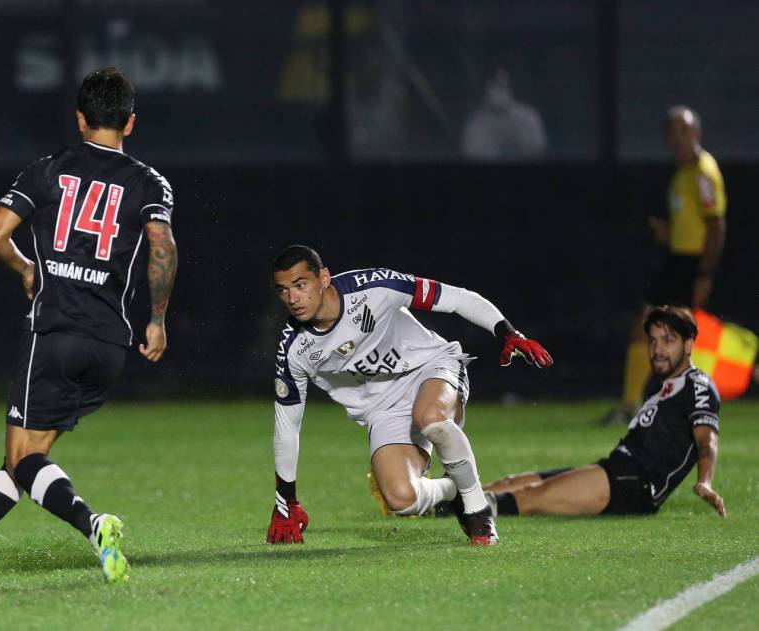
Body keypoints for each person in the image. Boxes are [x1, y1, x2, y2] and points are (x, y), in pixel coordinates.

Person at [0, 67, 177, 583]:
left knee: (22, 457)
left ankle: (93, 524)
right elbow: (162, 246)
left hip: (55, 334)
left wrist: (27, 268)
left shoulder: (48, 170)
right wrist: (158, 320)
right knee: (29, 457)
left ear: (80, 119)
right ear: (130, 123)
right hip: (109, 346)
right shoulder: (150, 182)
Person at [266, 245, 552, 546]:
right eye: (283, 290)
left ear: (324, 278)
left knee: (431, 418)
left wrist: (508, 333)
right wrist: (286, 500)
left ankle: (477, 511)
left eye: (300, 285)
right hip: (384, 408)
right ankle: (453, 490)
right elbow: (287, 427)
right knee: (402, 499)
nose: (292, 298)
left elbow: (457, 298)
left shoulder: (375, 287)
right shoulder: (294, 350)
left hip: (431, 367)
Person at [484, 306, 725, 518]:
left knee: (528, 497)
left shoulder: (698, 385)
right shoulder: (659, 384)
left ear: (688, 344)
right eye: (652, 341)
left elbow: (706, 439)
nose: (657, 349)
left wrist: (704, 482)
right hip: (616, 470)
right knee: (508, 483)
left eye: (668, 340)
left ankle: (467, 513)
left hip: (636, 485)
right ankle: (461, 499)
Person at [609, 106, 726, 424]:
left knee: (670, 334)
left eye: (683, 131)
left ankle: (664, 406)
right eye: (672, 132)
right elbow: (695, 224)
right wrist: (670, 232)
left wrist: (704, 273)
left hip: (691, 264)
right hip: (678, 260)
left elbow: (716, 225)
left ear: (696, 133)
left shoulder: (701, 171)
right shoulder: (683, 173)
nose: (677, 138)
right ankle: (636, 404)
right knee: (654, 330)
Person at [461, 69, 547, 161]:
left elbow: (539, 151)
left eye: (501, 86)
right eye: (492, 87)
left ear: (510, 89)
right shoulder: (475, 123)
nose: (498, 92)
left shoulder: (529, 116)